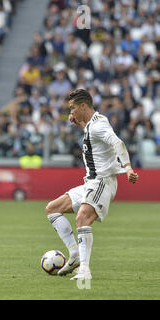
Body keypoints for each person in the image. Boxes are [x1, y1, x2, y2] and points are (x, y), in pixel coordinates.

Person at [45, 89, 139, 280]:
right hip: (91, 183)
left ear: (83, 106)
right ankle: (74, 254)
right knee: (52, 209)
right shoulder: (90, 125)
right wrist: (79, 123)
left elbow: (117, 143)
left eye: (72, 108)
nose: (70, 112)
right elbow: (95, 138)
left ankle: (85, 271)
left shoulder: (99, 126)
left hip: (102, 182)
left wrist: (127, 167)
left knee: (82, 219)